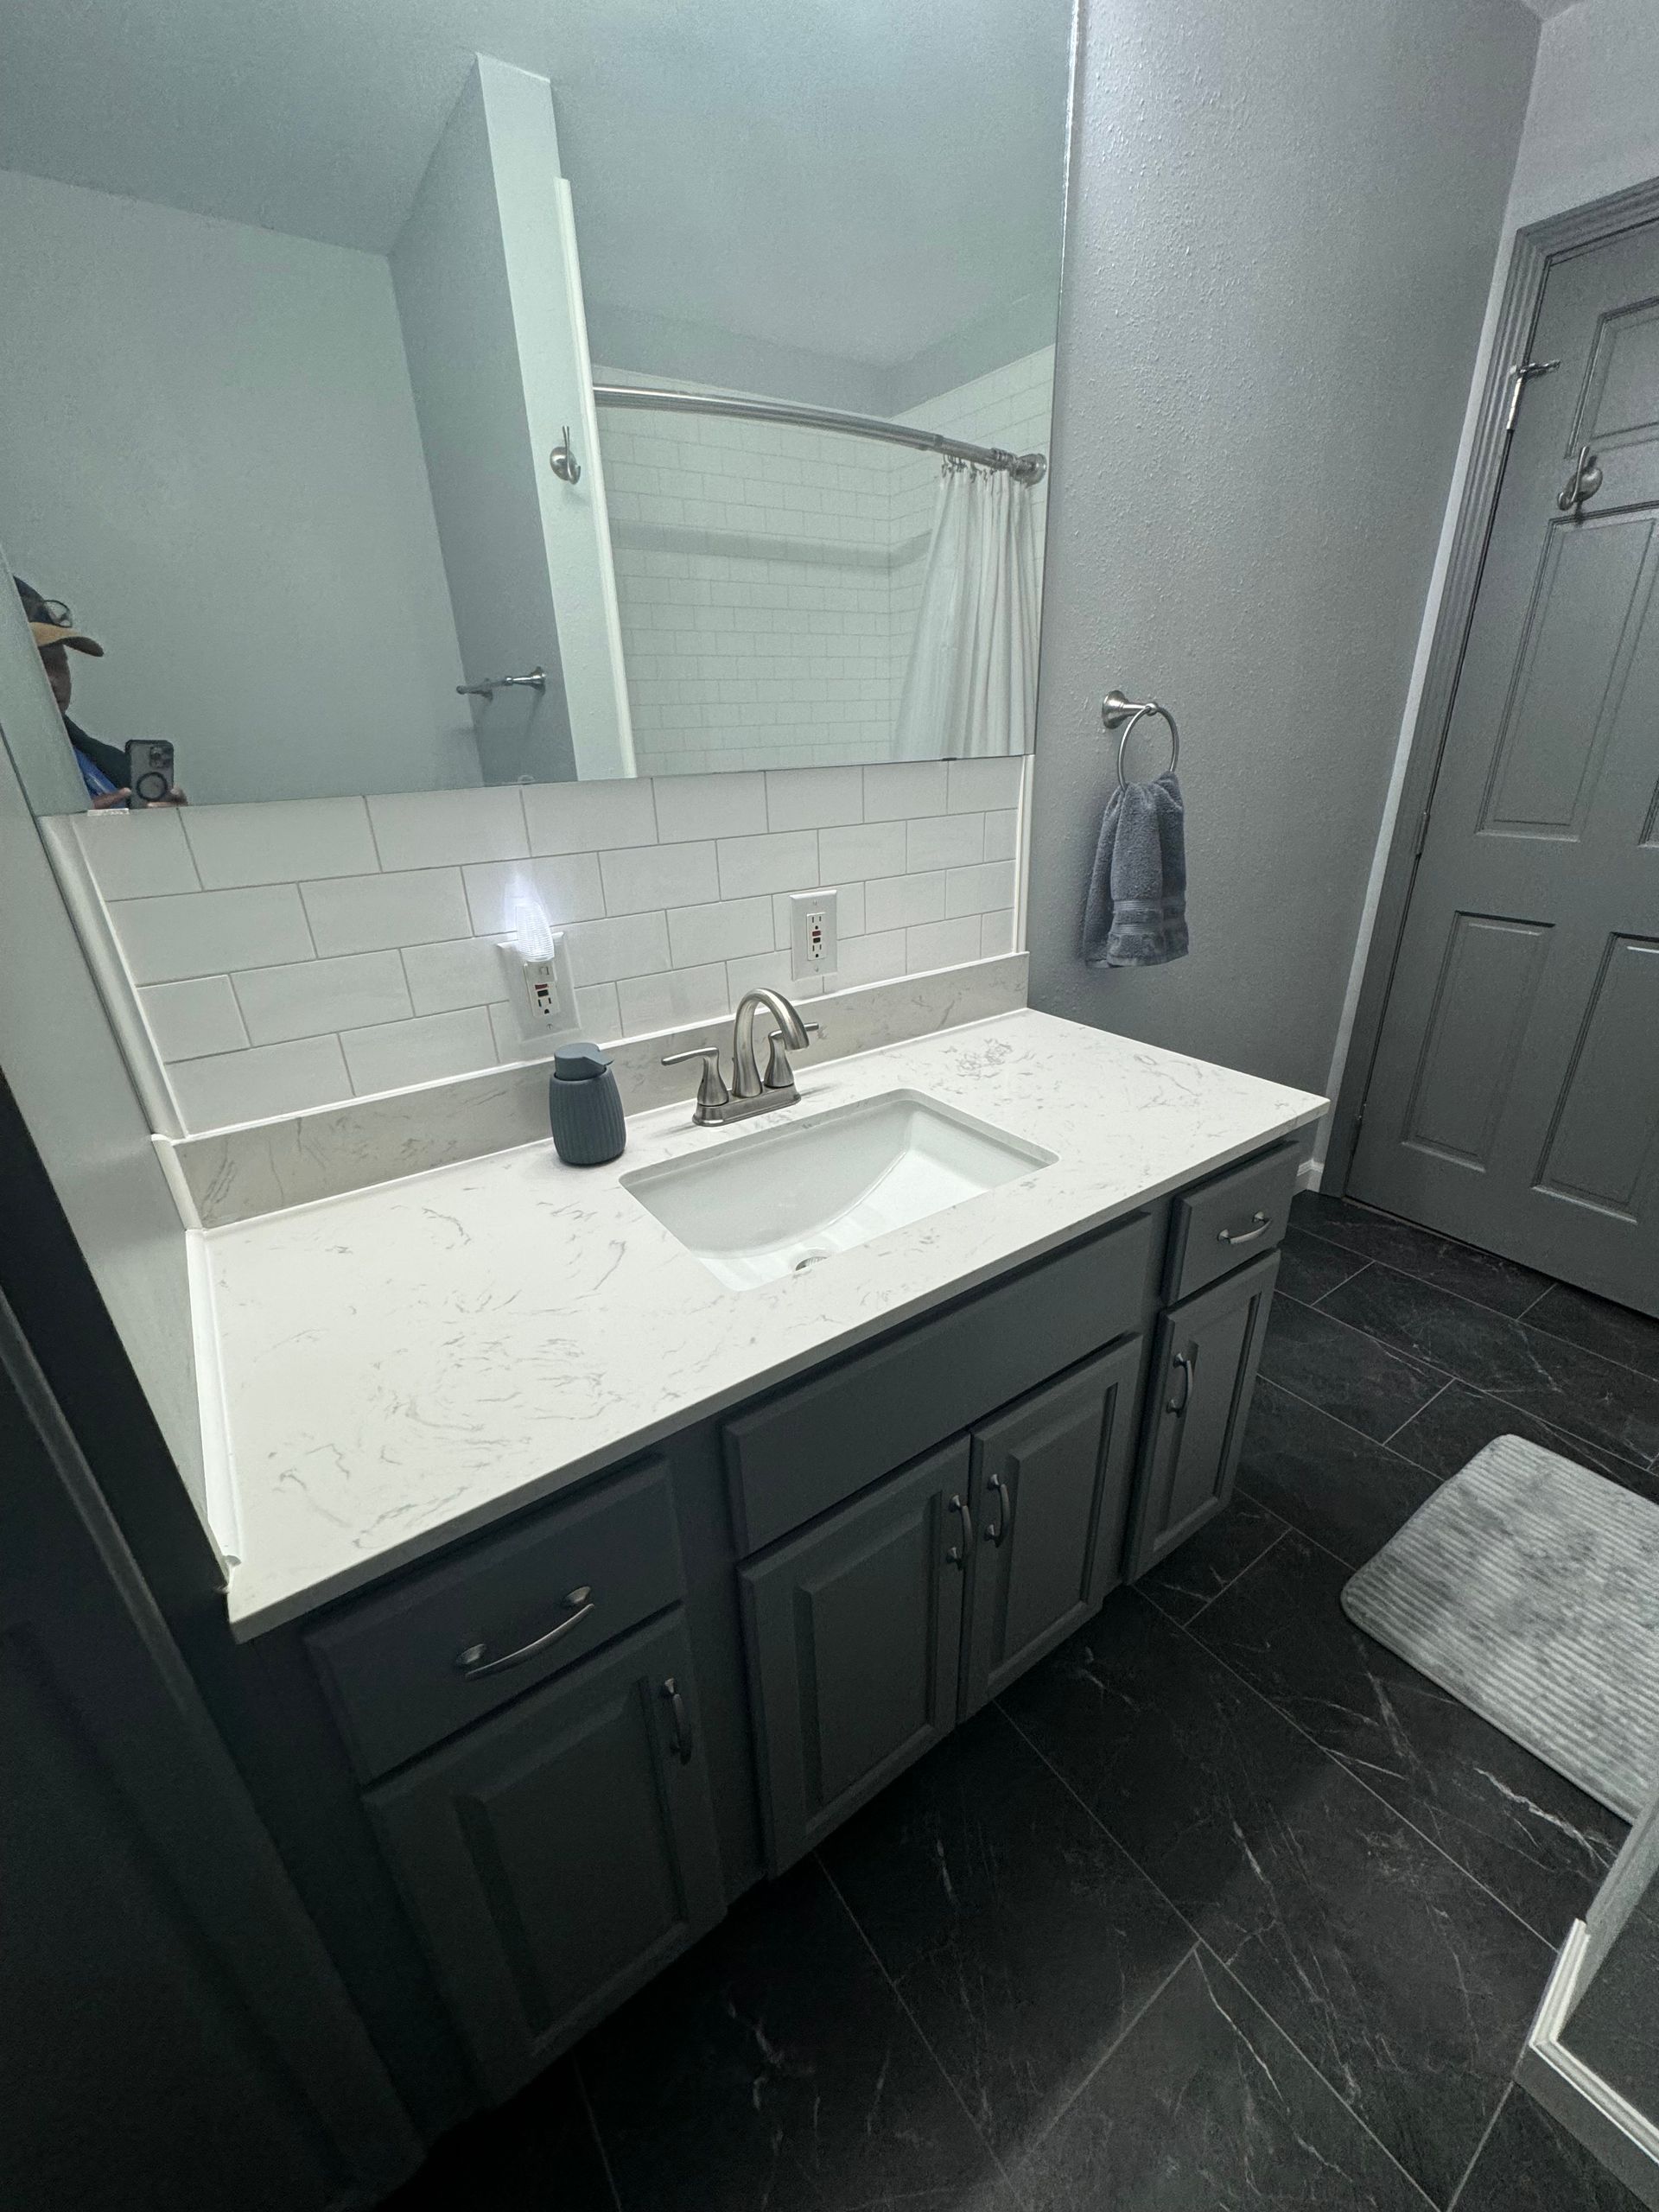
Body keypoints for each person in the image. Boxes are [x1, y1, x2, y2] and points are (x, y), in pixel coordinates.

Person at [14, 576, 184, 806]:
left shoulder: (110, 763)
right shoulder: (12, 774)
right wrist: (77, 828)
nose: (52, 679)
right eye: (32, 663)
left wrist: (175, 826)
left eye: (57, 661)